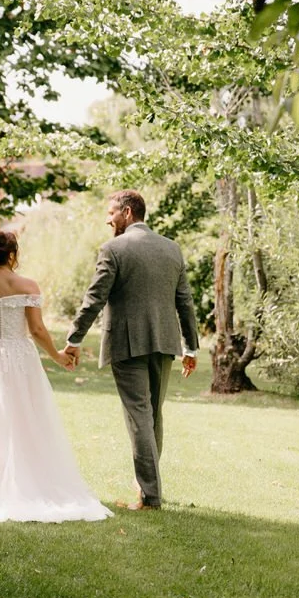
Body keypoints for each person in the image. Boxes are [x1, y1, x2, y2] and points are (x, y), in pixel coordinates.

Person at [0, 229, 112, 523]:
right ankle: (32, 480)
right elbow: (37, 330)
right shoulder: (28, 285)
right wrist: (57, 355)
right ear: (13, 254)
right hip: (21, 356)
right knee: (27, 417)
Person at [61, 190, 199, 511]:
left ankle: (150, 497)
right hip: (165, 343)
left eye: (111, 213)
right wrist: (191, 346)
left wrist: (74, 339)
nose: (108, 220)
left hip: (127, 343)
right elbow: (185, 302)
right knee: (152, 416)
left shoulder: (113, 248)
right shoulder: (171, 248)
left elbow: (95, 297)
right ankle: (145, 487)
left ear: (127, 212)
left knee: (139, 416)